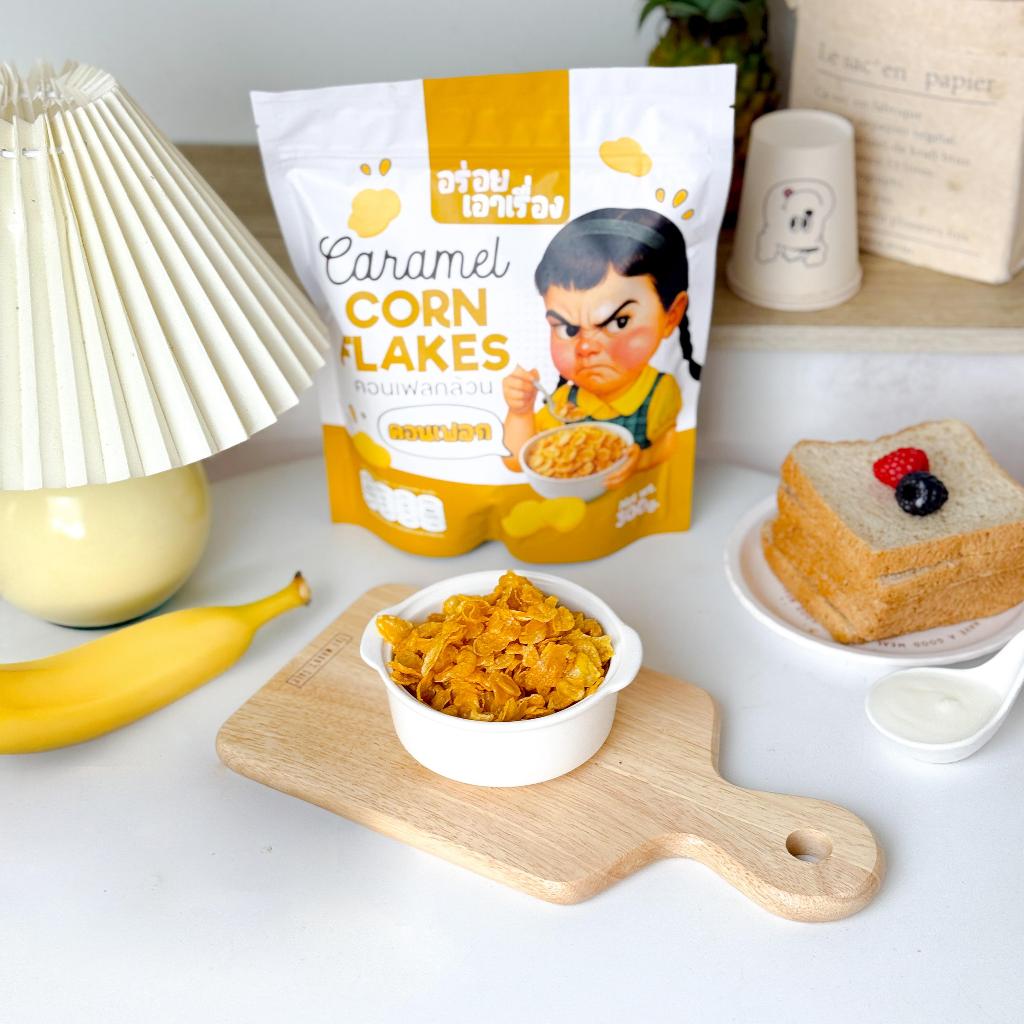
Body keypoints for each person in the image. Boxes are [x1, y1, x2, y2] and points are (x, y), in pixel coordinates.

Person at [502, 208, 699, 489]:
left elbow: (671, 444)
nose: (585, 347)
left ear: (671, 315)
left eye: (618, 322)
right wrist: (520, 412)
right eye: (568, 329)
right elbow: (517, 461)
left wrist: (642, 460)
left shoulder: (659, 394)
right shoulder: (563, 403)